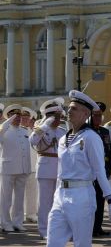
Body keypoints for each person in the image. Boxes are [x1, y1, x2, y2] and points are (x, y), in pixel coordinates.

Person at [22, 90, 111, 247]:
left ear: (85, 113)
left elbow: (99, 170)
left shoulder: (91, 138)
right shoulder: (64, 138)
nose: (68, 111)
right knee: (53, 245)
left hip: (81, 195)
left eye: (74, 109)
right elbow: (44, 151)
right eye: (69, 108)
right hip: (61, 195)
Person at [30, 100, 66, 239]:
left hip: (60, 170)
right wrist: (45, 124)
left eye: (59, 117)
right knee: (45, 202)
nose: (57, 120)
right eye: (55, 117)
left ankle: (57, 229)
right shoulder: (41, 129)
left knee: (59, 202)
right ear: (48, 116)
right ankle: (44, 230)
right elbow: (33, 141)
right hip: (45, 170)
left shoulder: (62, 131)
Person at [1, 104, 33, 232]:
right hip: (8, 169)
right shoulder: (4, 130)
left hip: (22, 168)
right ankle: (5, 223)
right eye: (15, 116)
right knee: (6, 198)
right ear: (9, 117)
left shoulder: (24, 131)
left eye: (19, 116)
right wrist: (8, 121)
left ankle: (17, 222)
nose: (18, 118)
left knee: (19, 198)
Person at [90, 102, 111, 237]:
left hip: (103, 170)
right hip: (91, 172)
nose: (98, 118)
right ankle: (90, 227)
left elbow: (109, 151)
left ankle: (98, 226)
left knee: (100, 200)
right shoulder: (87, 131)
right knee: (91, 201)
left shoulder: (105, 131)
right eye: (95, 115)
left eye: (100, 115)